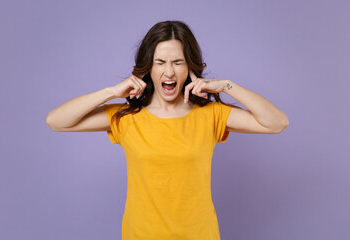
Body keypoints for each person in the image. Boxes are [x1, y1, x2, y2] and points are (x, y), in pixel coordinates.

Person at [46, 20, 289, 240]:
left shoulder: (211, 115)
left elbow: (277, 123)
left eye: (178, 62)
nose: (169, 72)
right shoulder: (127, 117)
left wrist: (226, 86)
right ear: (148, 68)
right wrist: (110, 92)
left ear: (190, 67)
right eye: (160, 62)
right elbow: (56, 121)